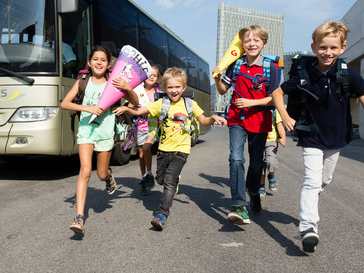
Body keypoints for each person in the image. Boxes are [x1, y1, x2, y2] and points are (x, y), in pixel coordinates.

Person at [272, 21, 364, 253]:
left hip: (337, 139)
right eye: (323, 47)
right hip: (311, 137)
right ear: (314, 47)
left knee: (324, 181)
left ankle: (310, 206)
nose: (328, 52)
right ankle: (308, 227)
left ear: (342, 48)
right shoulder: (304, 73)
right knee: (312, 181)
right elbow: (277, 92)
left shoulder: (349, 75)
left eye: (333, 48)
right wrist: (284, 116)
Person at [114, 67, 226, 230]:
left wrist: (213, 118)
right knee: (160, 179)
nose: (174, 91)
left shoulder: (190, 104)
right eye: (170, 87)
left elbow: (203, 120)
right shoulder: (161, 103)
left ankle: (162, 214)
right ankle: (172, 180)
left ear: (184, 87)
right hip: (164, 148)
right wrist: (127, 109)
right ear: (165, 88)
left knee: (169, 182)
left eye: (177, 87)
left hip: (181, 150)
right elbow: (142, 110)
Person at [61, 45, 138, 235]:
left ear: (108, 64)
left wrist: (128, 87)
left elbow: (135, 102)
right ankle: (79, 218)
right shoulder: (82, 80)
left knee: (101, 173)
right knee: (85, 170)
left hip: (105, 132)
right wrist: (88, 108)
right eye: (95, 59)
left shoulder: (114, 82)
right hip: (86, 130)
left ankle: (109, 177)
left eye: (103, 60)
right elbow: (65, 103)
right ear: (89, 62)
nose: (99, 63)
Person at [212, 25, 279, 225]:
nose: (251, 44)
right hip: (236, 119)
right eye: (247, 41)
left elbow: (274, 99)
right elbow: (223, 90)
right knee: (236, 159)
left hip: (260, 121)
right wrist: (217, 78)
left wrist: (252, 103)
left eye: (256, 40)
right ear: (242, 44)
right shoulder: (236, 65)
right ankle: (239, 205)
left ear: (264, 43)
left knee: (257, 164)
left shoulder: (270, 67)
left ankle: (253, 193)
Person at [131, 65, 161, 195]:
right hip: (140, 125)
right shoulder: (138, 90)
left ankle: (149, 173)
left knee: (146, 148)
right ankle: (143, 176)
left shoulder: (159, 94)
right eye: (149, 74)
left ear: (157, 78)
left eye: (154, 75)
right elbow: (131, 105)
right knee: (141, 154)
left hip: (152, 126)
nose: (151, 77)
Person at [259, 109, 286, 197]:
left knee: (271, 161)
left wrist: (283, 138)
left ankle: (271, 176)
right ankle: (261, 185)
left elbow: (279, 125)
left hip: (271, 140)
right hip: (258, 140)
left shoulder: (275, 111)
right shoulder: (256, 108)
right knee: (260, 166)